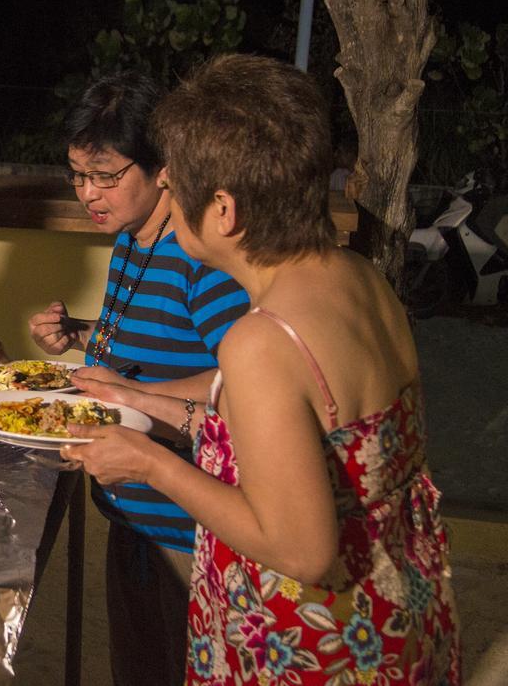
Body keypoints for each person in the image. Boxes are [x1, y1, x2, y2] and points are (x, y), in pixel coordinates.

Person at [63, 54, 459, 684]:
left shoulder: (261, 340)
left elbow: (301, 548)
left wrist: (147, 462)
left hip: (311, 642)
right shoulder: (359, 278)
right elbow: (296, 437)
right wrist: (134, 400)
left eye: (177, 185)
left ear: (222, 209)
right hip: (396, 614)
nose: (167, 194)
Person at [27, 71, 249, 686]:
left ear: (164, 169)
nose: (89, 194)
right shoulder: (132, 236)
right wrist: (83, 331)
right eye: (78, 175)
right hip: (132, 512)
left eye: (107, 175)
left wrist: (134, 396)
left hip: (185, 523)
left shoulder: (199, 255)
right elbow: (164, 334)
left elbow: (244, 377)